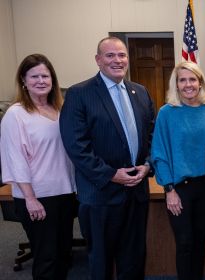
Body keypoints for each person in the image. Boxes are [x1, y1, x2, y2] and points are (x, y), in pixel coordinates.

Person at [59, 37, 155, 280]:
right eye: (110, 55)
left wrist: (148, 165)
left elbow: (152, 136)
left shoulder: (140, 92)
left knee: (133, 259)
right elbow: (76, 146)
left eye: (122, 55)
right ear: (98, 60)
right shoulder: (79, 94)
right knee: (101, 263)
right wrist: (111, 174)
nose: (117, 60)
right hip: (101, 195)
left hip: (136, 193)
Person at [0, 54, 77, 279]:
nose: (41, 80)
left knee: (64, 253)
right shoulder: (16, 115)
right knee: (46, 257)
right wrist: (30, 198)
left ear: (52, 79)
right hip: (37, 197)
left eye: (45, 75)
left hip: (64, 193)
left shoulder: (61, 110)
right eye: (34, 76)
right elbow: (16, 159)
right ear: (24, 80)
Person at [150, 61, 205, 280]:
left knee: (200, 242)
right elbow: (159, 153)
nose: (188, 84)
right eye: (183, 80)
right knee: (185, 243)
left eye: (192, 79)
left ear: (200, 83)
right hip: (180, 189)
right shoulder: (167, 113)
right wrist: (169, 189)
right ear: (176, 84)